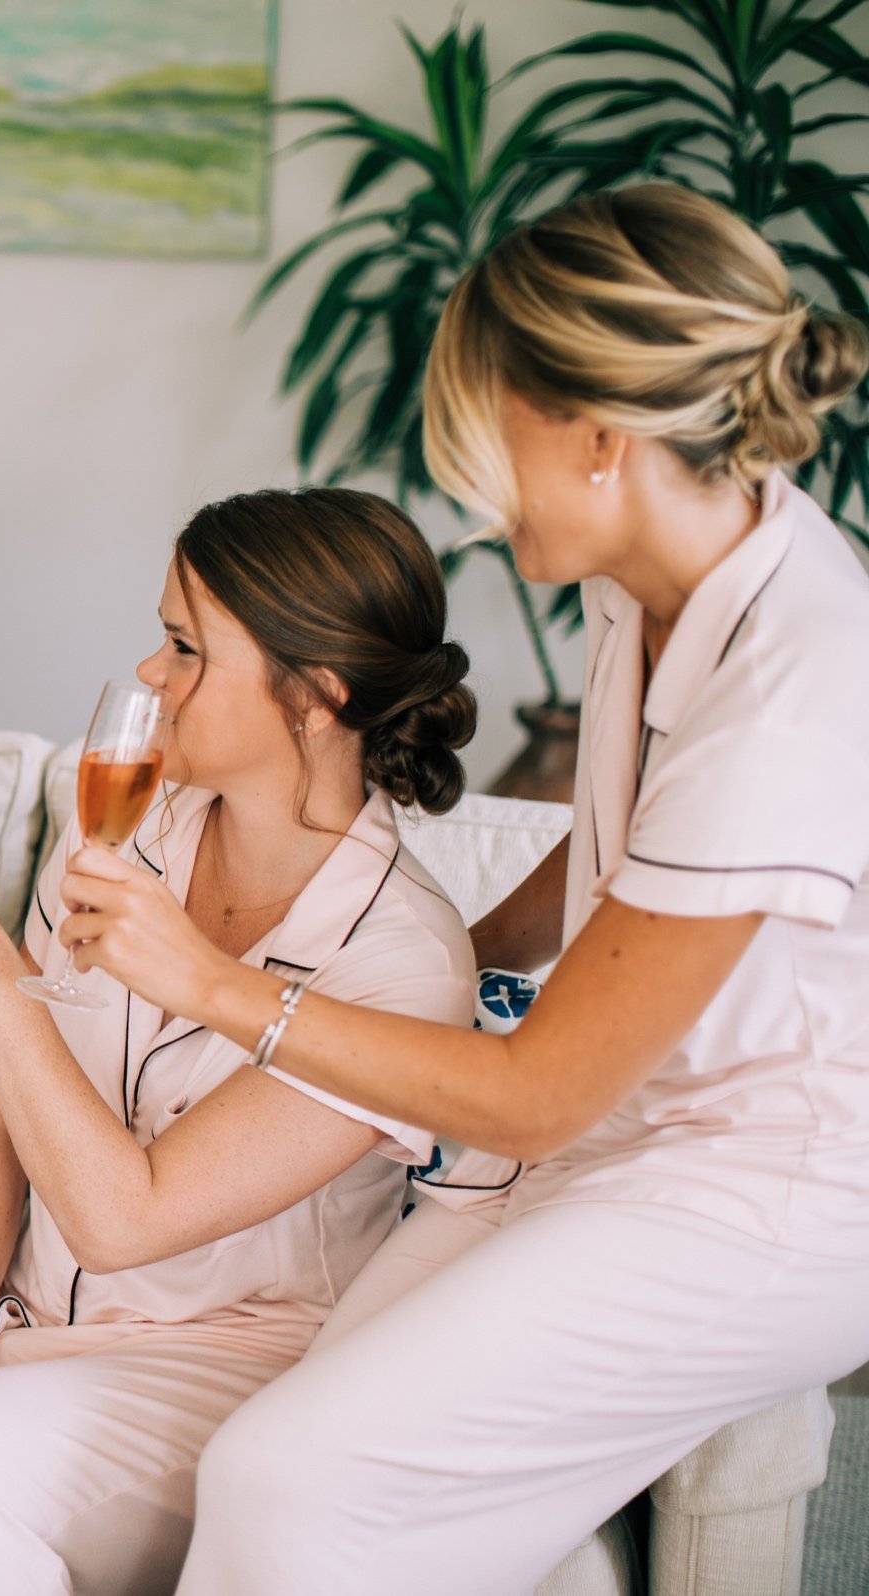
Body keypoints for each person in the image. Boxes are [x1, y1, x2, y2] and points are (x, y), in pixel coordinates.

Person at [54, 185, 869, 1595]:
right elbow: (638, 850)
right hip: (606, 1140)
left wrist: (209, 986)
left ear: (599, 439)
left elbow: (538, 1093)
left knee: (286, 1475)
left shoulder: (792, 684)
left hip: (758, 1190)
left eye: (489, 441)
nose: (475, 500)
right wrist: (454, 950)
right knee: (300, 1447)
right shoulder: (657, 574)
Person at [0, 486, 478, 1596]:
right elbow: (3, 1106)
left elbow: (124, 1221)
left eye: (184, 648)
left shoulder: (400, 965)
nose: (151, 676)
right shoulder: (133, 829)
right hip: (18, 1335)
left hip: (221, 1367)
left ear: (316, 695)